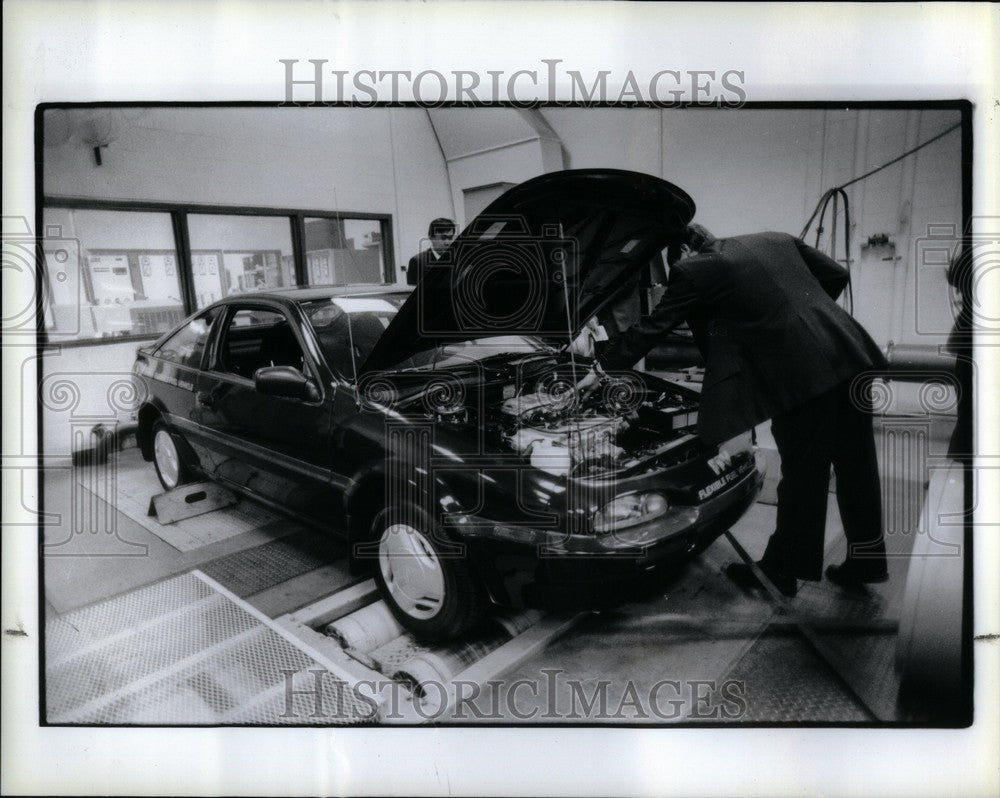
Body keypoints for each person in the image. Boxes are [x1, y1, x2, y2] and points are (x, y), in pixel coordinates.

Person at [578, 224, 889, 597]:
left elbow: (654, 328)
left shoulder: (695, 270)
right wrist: (803, 316)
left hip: (803, 375)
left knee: (804, 474)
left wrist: (602, 369)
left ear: (682, 255)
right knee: (858, 466)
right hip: (850, 350)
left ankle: (783, 572)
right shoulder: (774, 239)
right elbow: (836, 274)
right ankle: (866, 562)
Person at [406, 217, 456, 286]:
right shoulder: (417, 262)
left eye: (450, 238)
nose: (447, 242)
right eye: (443, 238)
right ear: (431, 237)